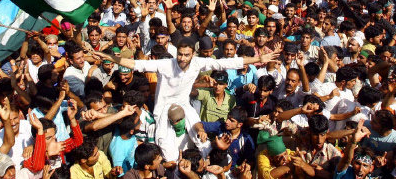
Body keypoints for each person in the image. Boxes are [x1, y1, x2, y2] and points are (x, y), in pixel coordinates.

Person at [95, 38, 279, 162]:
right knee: (166, 147)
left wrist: (259, 58)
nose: (182, 58)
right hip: (163, 108)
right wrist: (109, 57)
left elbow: (226, 62)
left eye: (186, 55)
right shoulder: (165, 64)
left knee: (202, 140)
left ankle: (207, 164)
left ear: (193, 54)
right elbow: (136, 64)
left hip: (184, 105)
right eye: (180, 54)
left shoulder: (199, 62)